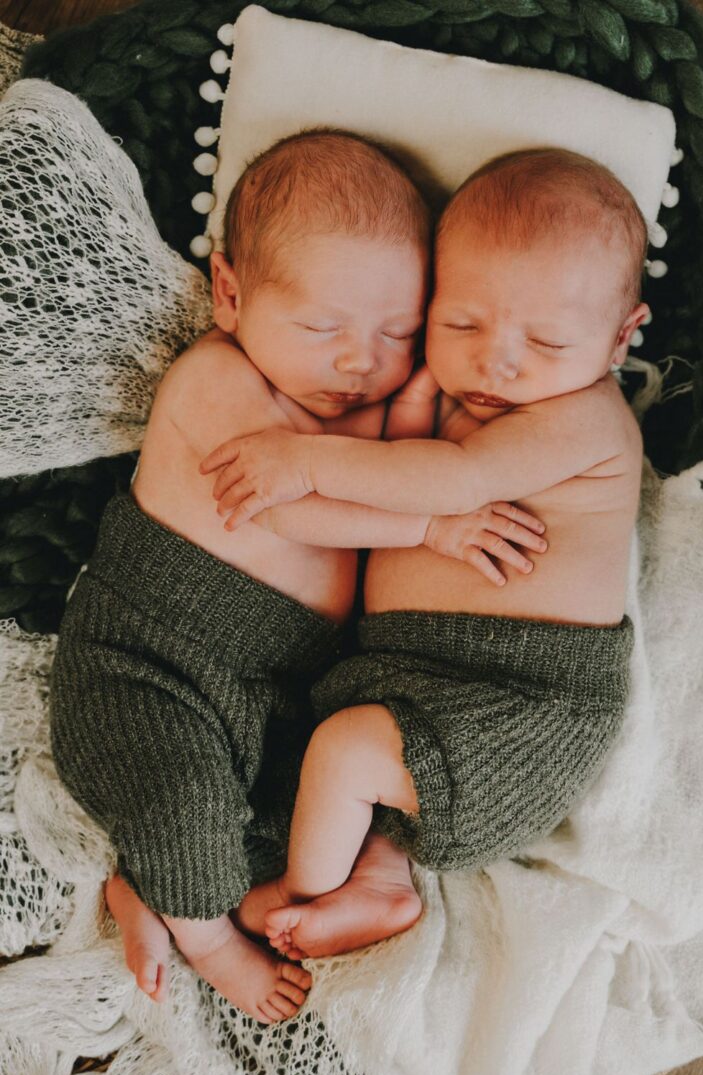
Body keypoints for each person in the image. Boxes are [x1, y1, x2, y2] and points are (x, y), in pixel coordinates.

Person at [49, 131, 547, 1021]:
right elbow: (292, 509)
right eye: (323, 327)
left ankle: (148, 887)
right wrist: (437, 523)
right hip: (146, 667)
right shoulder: (217, 382)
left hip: (275, 686)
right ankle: (200, 934)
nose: (358, 360)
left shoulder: (364, 408)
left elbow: (402, 461)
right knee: (183, 798)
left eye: (395, 332)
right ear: (231, 296)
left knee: (298, 829)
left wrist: (431, 388)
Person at [200, 147, 646, 960]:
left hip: (522, 702)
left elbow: (451, 480)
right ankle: (379, 880)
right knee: (293, 762)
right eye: (460, 323)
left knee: (345, 752)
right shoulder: (447, 392)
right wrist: (406, 412)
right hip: (410, 675)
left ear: (621, 338)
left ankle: (299, 897)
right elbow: (392, 488)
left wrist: (301, 460)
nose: (495, 360)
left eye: (544, 341)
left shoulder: (584, 418)